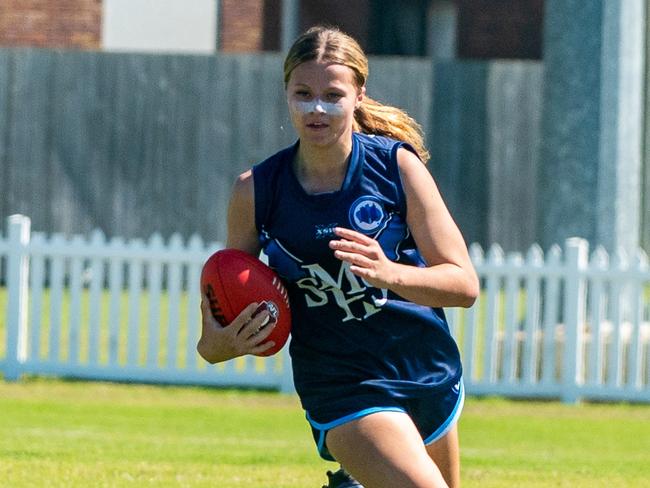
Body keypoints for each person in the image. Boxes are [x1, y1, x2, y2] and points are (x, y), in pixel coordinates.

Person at [197, 26, 479, 488]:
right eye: (303, 94)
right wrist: (218, 344)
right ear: (286, 93)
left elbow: (464, 286)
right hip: (340, 384)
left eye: (332, 95)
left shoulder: (396, 167)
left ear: (358, 96)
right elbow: (220, 327)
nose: (317, 109)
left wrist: (389, 274)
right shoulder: (257, 191)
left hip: (424, 369)